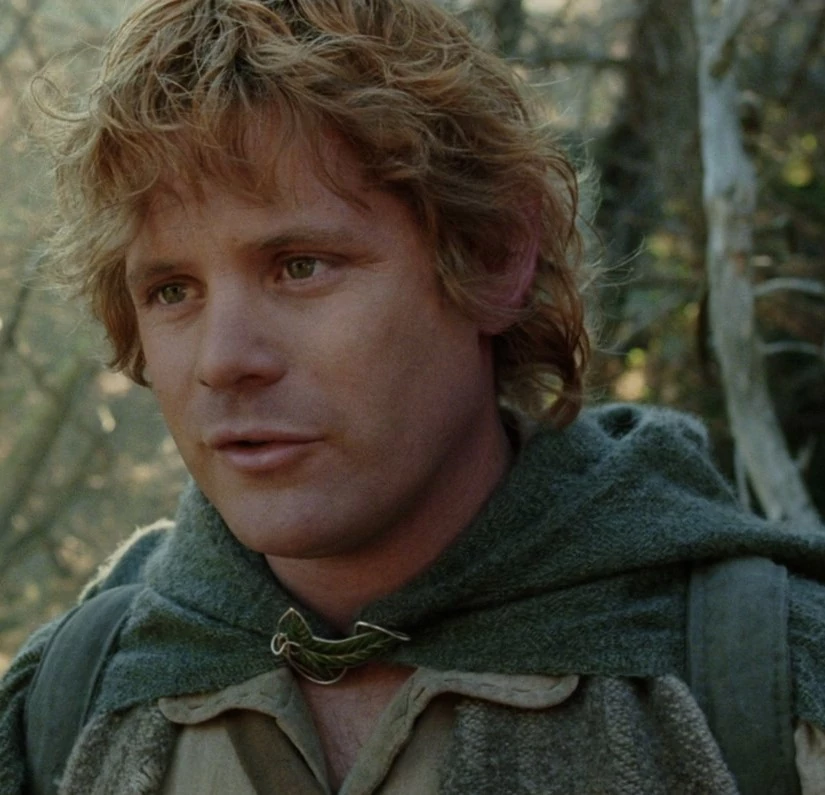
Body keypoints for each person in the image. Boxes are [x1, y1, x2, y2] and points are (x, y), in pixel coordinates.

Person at [2, 0, 825, 792]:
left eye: (299, 266)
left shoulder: (767, 682)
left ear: (496, 255)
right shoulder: (66, 706)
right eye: (172, 290)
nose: (223, 361)